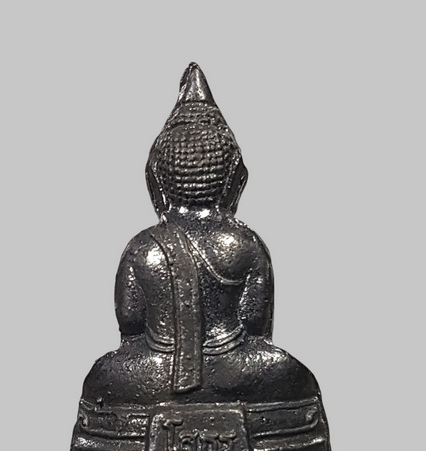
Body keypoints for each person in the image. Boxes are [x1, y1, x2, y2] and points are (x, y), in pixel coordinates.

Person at [82, 63, 318, 406]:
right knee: (288, 373)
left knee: (104, 375)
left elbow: (131, 323)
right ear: (235, 180)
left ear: (155, 181)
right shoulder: (245, 245)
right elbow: (255, 326)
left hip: (155, 372)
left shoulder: (142, 248)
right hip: (233, 371)